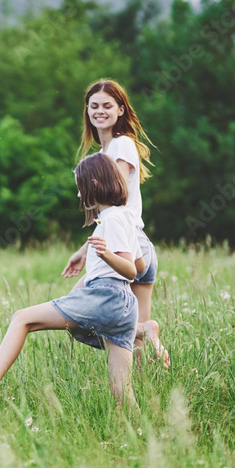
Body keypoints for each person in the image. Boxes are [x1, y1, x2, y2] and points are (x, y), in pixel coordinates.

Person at [0, 153, 164, 409]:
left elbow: (132, 271)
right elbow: (142, 265)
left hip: (106, 296)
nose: (79, 196)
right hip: (124, 305)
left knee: (22, 318)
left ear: (95, 185)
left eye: (81, 188)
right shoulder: (124, 217)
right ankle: (140, 433)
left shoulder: (110, 220)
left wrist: (106, 254)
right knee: (122, 391)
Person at [62, 79, 169, 368]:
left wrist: (87, 250)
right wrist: (86, 250)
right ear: (86, 110)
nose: (100, 111)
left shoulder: (121, 144)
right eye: (94, 106)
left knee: (73, 317)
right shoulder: (100, 155)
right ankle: (145, 337)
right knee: (134, 342)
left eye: (107, 106)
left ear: (121, 109)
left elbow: (116, 203)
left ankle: (141, 335)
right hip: (135, 246)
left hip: (126, 246)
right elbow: (109, 214)